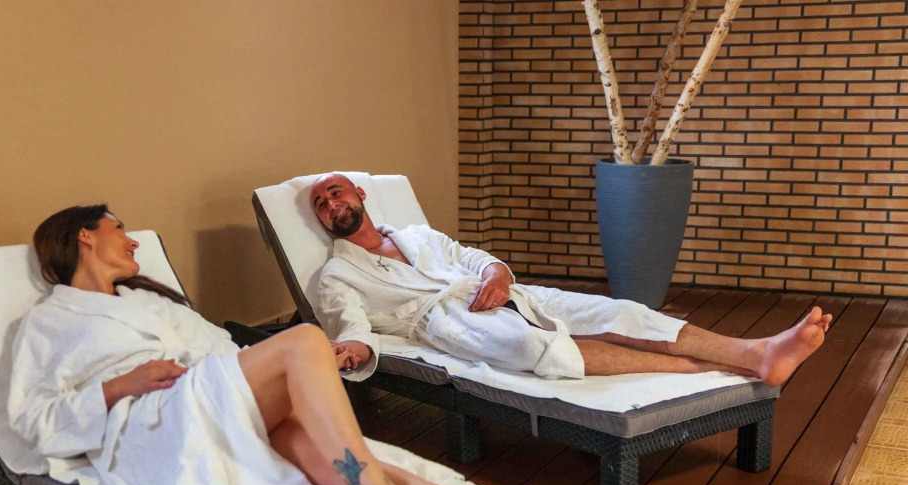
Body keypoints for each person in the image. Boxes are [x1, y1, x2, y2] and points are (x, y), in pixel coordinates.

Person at [7, 204, 538, 485]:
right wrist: (121, 385)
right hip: (153, 418)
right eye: (119, 229)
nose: (132, 243)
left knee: (317, 442)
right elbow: (32, 421)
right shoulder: (49, 322)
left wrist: (282, 376)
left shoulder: (149, 301)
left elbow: (224, 352)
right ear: (85, 235)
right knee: (304, 339)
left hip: (206, 395)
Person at [311, 173, 831, 384]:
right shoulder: (338, 273)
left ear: (359, 194)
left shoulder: (416, 235)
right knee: (532, 347)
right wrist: (353, 349)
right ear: (323, 220)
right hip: (448, 320)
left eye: (336, 193)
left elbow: (473, 256)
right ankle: (713, 367)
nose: (332, 204)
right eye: (321, 205)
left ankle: (753, 351)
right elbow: (349, 322)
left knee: (618, 311)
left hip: (501, 293)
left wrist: (497, 275)